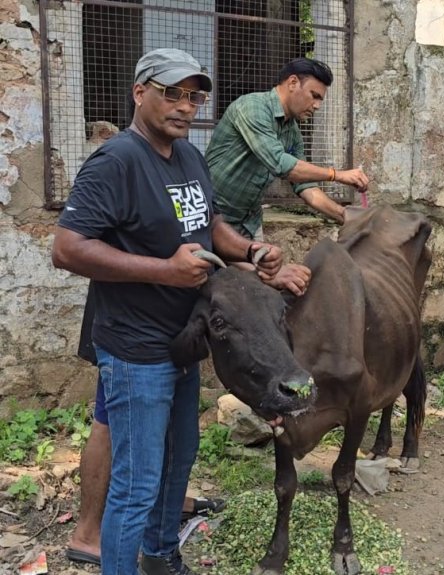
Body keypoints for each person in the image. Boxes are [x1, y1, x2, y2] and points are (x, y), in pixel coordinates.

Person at [52, 48, 288, 575]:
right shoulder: (116, 161)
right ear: (140, 93)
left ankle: (160, 557)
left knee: (178, 461)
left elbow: (211, 223)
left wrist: (249, 251)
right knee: (136, 484)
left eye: (194, 96)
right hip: (136, 349)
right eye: (172, 93)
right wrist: (163, 270)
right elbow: (66, 248)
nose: (185, 107)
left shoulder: (189, 155)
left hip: (184, 339)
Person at [64, 285, 225, 568]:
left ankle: (159, 552)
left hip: (176, 336)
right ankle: (88, 534)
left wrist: (252, 254)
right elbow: (72, 250)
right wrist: (171, 269)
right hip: (133, 342)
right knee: (133, 474)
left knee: (177, 451)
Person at [206, 57, 367, 240]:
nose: (317, 106)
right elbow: (280, 163)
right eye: (314, 96)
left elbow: (306, 186)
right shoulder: (253, 107)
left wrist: (344, 215)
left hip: (249, 223)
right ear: (292, 83)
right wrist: (337, 174)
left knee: (260, 268)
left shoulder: (292, 133)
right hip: (213, 217)